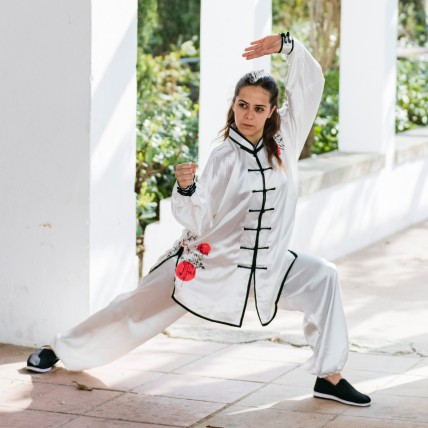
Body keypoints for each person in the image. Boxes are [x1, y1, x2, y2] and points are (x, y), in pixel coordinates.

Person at [27, 32, 371, 407]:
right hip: (209, 266)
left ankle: (330, 376)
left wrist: (288, 47)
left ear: (273, 111)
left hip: (270, 267)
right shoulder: (224, 156)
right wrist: (187, 188)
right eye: (242, 105)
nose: (249, 115)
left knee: (324, 276)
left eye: (259, 108)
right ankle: (60, 347)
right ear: (233, 106)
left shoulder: (287, 137)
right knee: (135, 308)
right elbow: (199, 218)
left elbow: (311, 83)